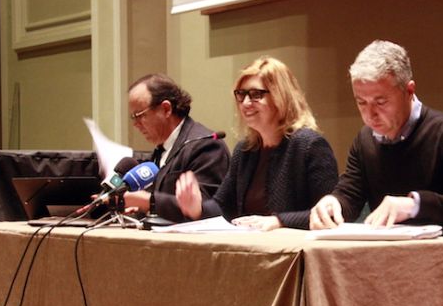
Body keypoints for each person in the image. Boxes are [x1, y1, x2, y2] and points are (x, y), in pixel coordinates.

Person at [309, 40, 443, 235]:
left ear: (409, 91)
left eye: (381, 102)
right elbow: (350, 194)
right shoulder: (365, 140)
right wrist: (333, 204)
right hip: (392, 257)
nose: (370, 114)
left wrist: (415, 205)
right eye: (361, 102)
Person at [176, 56, 338, 231]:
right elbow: (223, 207)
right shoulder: (245, 150)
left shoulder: (309, 145)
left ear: (281, 96)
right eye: (241, 94)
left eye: (255, 95)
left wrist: (279, 221)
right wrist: (197, 208)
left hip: (295, 252)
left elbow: (329, 214)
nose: (245, 103)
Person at [123, 74, 230, 223]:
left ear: (166, 109)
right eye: (133, 117)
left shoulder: (206, 146)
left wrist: (150, 202)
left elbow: (206, 209)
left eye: (139, 115)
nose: (136, 124)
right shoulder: (160, 150)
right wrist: (141, 209)